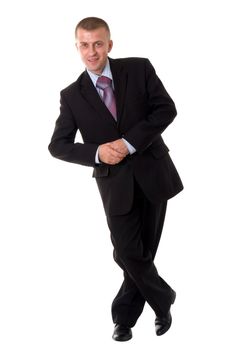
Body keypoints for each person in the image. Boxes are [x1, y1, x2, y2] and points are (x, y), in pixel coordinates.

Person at [48, 17, 183, 341]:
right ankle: (163, 299)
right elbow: (58, 145)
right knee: (126, 252)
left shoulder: (139, 69)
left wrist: (128, 143)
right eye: (84, 45)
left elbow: (165, 110)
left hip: (153, 173)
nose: (91, 52)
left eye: (98, 43)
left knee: (143, 252)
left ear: (109, 44)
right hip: (114, 184)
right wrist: (96, 152)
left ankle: (124, 319)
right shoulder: (72, 95)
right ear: (76, 47)